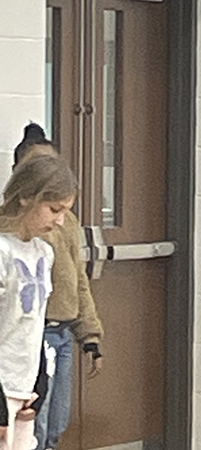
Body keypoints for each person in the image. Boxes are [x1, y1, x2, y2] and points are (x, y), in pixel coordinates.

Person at [12, 123, 104, 450]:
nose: (59, 218)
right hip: (22, 347)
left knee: (54, 426)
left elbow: (76, 279)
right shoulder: (11, 245)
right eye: (54, 209)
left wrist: (89, 334)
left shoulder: (56, 234)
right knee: (31, 432)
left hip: (56, 337)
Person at [0, 155, 78, 450]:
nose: (59, 220)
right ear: (25, 198)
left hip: (25, 386)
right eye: (54, 209)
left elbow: (34, 323)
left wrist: (39, 379)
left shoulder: (43, 254)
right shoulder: (2, 252)